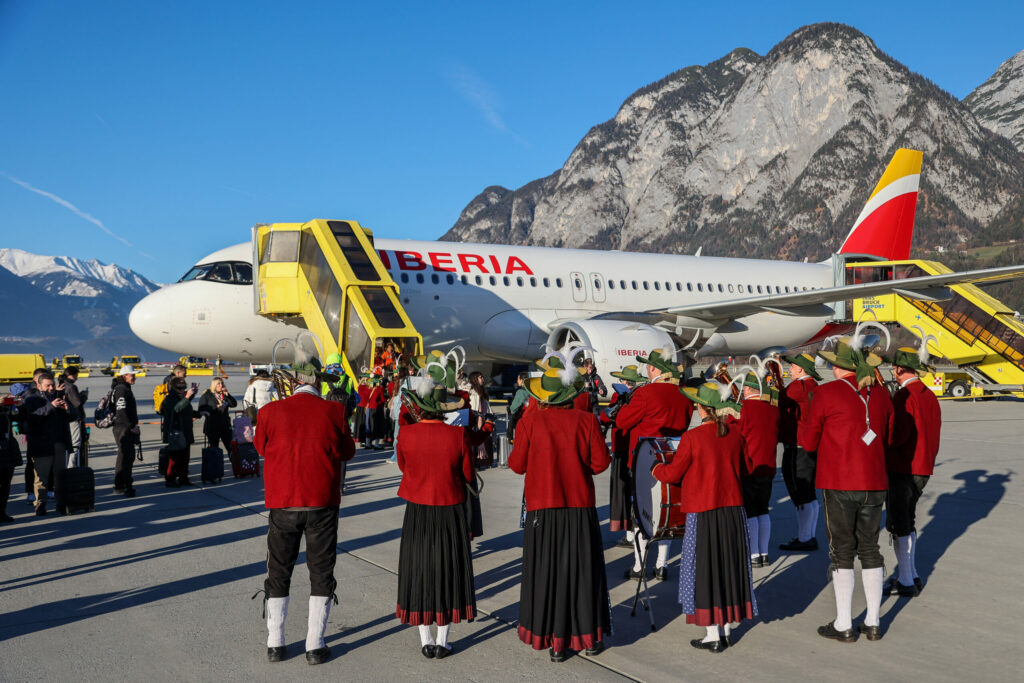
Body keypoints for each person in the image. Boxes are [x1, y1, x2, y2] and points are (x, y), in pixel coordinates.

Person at [509, 354, 611, 662]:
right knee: (583, 574)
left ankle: (555, 642)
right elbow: (600, 463)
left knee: (548, 575)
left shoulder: (530, 421)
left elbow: (516, 465)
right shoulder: (586, 420)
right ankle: (588, 638)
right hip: (579, 507)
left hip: (542, 509)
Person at [254, 357, 355, 665]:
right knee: (321, 571)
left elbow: (260, 447)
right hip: (321, 502)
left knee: (278, 570)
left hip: (283, 502)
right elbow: (347, 451)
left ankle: (276, 642)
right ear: (318, 383)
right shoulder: (334, 411)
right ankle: (315, 643)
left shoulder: (270, 411)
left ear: (294, 382)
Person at [800, 333, 894, 643]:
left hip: (839, 482)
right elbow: (889, 438)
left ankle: (843, 623)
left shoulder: (826, 394)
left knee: (841, 551)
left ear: (841, 366)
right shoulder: (881, 394)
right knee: (870, 549)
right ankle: (873, 620)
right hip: (875, 481)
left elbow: (809, 442)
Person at [653, 382, 754, 652]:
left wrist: (656, 469)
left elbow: (673, 474)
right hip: (733, 511)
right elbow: (748, 467)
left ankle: (713, 635)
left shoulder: (693, 437)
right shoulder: (735, 434)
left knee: (705, 570)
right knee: (729, 568)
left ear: (701, 408)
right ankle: (728, 628)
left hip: (703, 511)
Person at [394, 361, 476, 659]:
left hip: (417, 509)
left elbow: (404, 467)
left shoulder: (407, 434)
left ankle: (425, 639)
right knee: (448, 570)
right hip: (449, 507)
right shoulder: (456, 435)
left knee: (419, 570)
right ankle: (442, 640)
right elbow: (467, 473)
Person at [614, 349, 693, 581]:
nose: (647, 369)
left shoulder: (645, 393)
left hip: (643, 460)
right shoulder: (682, 394)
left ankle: (639, 566)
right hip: (672, 457)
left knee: (642, 514)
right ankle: (661, 565)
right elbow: (685, 424)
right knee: (666, 513)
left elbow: (622, 420)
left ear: (656, 369)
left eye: (649, 366)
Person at [884, 344, 942, 598]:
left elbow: (898, 436)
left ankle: (906, 579)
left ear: (898, 369)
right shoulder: (928, 394)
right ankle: (912, 573)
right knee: (908, 520)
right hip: (923, 466)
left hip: (904, 466)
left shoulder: (904, 396)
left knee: (900, 523)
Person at [778, 353, 822, 551]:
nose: (790, 369)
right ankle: (808, 535)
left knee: (799, 491)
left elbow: (777, 400)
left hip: (797, 444)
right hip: (809, 445)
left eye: (793, 367)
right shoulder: (813, 385)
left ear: (801, 369)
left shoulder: (798, 387)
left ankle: (805, 538)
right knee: (809, 493)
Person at [737, 371, 780, 568]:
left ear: (747, 389)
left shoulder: (743, 408)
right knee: (763, 509)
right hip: (769, 466)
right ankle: (764, 552)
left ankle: (753, 553)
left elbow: (732, 430)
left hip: (749, 467)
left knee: (750, 511)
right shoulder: (772, 409)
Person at [600, 365, 647, 542]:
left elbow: (606, 417)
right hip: (635, 448)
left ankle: (629, 533)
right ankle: (634, 530)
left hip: (621, 447)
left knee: (622, 491)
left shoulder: (619, 396)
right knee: (634, 490)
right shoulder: (640, 396)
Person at [22, 371, 73, 515]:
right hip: (41, 444)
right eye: (48, 385)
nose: (51, 388)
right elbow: (33, 417)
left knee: (60, 475)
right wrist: (51, 406)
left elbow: (73, 417)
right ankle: (40, 504)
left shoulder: (58, 397)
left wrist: (68, 410)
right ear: (39, 385)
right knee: (41, 477)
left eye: (53, 385)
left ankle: (61, 503)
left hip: (58, 442)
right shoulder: (32, 399)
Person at [161, 377, 198, 487]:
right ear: (174, 387)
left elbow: (186, 410)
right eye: (180, 387)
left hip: (185, 430)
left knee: (185, 456)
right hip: (175, 431)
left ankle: (183, 478)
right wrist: (187, 397)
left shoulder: (180, 396)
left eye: (184, 387)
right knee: (175, 457)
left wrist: (199, 413)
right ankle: (170, 479)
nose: (182, 389)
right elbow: (176, 409)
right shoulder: (170, 398)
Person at [111, 365, 140, 496]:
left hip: (124, 428)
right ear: (124, 376)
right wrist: (131, 427)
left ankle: (123, 484)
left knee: (126, 457)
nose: (134, 377)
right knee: (125, 458)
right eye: (131, 375)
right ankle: (123, 485)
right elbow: (121, 410)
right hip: (123, 429)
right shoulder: (121, 389)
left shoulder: (124, 388)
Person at [1, 396, 24, 523]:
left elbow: (19, 419)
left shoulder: (4, 409)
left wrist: (18, 406)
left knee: (5, 484)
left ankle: (2, 511)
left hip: (7, 451)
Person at [198, 377, 237, 452]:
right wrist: (216, 408)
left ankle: (234, 462)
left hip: (225, 425)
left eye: (222, 383)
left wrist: (228, 395)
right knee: (214, 449)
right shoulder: (207, 395)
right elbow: (201, 409)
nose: (221, 385)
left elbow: (234, 404)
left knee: (231, 448)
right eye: (218, 383)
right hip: (212, 426)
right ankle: (215, 463)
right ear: (214, 385)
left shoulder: (224, 395)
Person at [61, 366, 88, 467]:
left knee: (66, 444)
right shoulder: (71, 386)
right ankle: (72, 467)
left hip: (64, 418)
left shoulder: (61, 383)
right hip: (73, 418)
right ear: (71, 375)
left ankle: (65, 465)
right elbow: (77, 403)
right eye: (76, 375)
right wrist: (84, 395)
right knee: (75, 445)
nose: (77, 377)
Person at [468, 371, 492, 468]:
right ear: (475, 379)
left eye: (482, 377)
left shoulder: (481, 392)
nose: (483, 379)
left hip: (483, 421)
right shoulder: (473, 393)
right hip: (476, 423)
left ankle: (480, 462)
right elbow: (475, 410)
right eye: (480, 377)